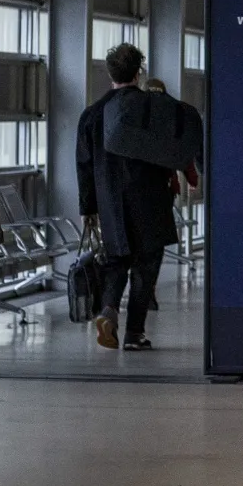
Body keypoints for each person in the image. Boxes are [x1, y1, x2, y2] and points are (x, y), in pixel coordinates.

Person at [78, 43, 187, 351]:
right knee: (146, 264)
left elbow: (84, 165)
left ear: (110, 73)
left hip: (110, 203)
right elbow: (171, 150)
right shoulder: (154, 108)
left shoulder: (91, 114)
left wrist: (88, 208)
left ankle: (109, 311)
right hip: (150, 199)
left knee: (115, 262)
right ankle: (135, 333)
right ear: (139, 72)